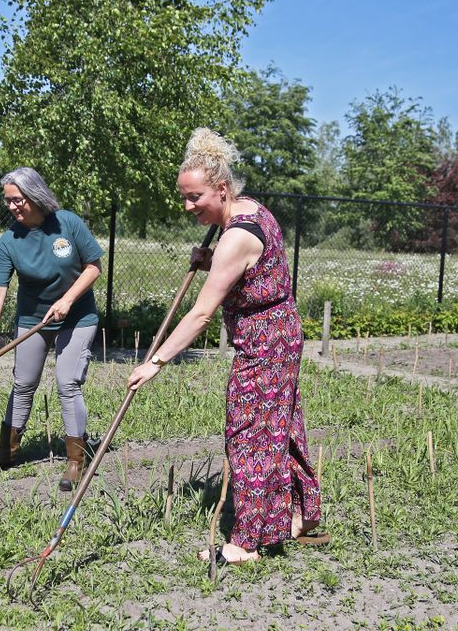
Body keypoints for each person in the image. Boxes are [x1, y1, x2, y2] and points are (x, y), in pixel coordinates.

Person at [127, 127, 326, 564]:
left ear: (220, 189)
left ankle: (247, 541)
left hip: (264, 342)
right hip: (281, 331)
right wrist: (210, 256)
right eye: (184, 196)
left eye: (195, 197)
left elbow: (200, 315)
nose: (187, 206)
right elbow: (249, 264)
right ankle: (303, 513)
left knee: (249, 432)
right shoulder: (250, 209)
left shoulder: (235, 238)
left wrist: (156, 362)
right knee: (282, 425)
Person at [0, 167, 104, 491]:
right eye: (8, 201)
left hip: (77, 317)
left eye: (17, 199)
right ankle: (6, 452)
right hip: (33, 321)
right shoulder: (9, 241)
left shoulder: (68, 223)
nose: (12, 206)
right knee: (23, 383)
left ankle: (76, 459)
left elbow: (93, 267)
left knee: (67, 382)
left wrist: (69, 299)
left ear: (34, 195)